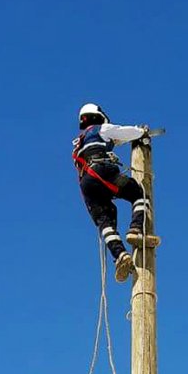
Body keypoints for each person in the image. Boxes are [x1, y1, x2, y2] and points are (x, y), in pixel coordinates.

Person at [72, 103, 151, 282]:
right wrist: (141, 131)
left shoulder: (80, 142)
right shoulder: (102, 129)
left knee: (105, 220)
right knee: (138, 194)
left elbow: (116, 140)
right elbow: (123, 132)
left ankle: (120, 254)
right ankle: (136, 229)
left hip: (87, 184)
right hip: (101, 170)